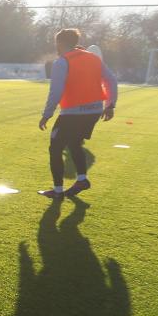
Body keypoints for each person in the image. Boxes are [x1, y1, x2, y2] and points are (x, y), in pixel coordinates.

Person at [38, 28, 117, 200]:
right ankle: (82, 180)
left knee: (55, 148)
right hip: (94, 111)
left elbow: (55, 92)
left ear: (60, 43)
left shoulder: (62, 62)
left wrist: (47, 114)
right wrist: (110, 105)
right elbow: (111, 79)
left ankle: (57, 191)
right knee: (74, 143)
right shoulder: (93, 57)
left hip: (72, 113)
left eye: (56, 43)